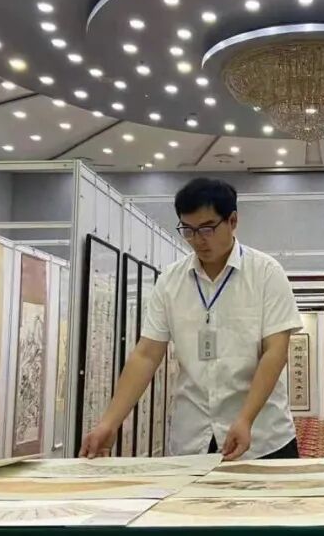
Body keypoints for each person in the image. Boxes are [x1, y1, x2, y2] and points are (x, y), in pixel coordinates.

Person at [79, 177, 302, 461]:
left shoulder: (266, 273)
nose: (198, 240)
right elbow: (146, 354)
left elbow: (275, 352)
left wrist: (246, 418)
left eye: (207, 228)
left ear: (232, 221)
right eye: (188, 230)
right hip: (192, 438)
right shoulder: (171, 280)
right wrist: (109, 423)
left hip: (262, 437)